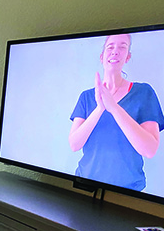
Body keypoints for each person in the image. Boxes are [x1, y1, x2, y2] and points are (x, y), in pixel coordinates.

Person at [69, 34, 164, 191]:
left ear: (128, 57)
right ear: (102, 56)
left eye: (122, 47)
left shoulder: (144, 93)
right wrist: (100, 108)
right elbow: (74, 144)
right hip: (85, 186)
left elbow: (149, 149)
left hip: (127, 193)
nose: (115, 51)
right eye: (110, 47)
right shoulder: (86, 96)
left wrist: (114, 108)